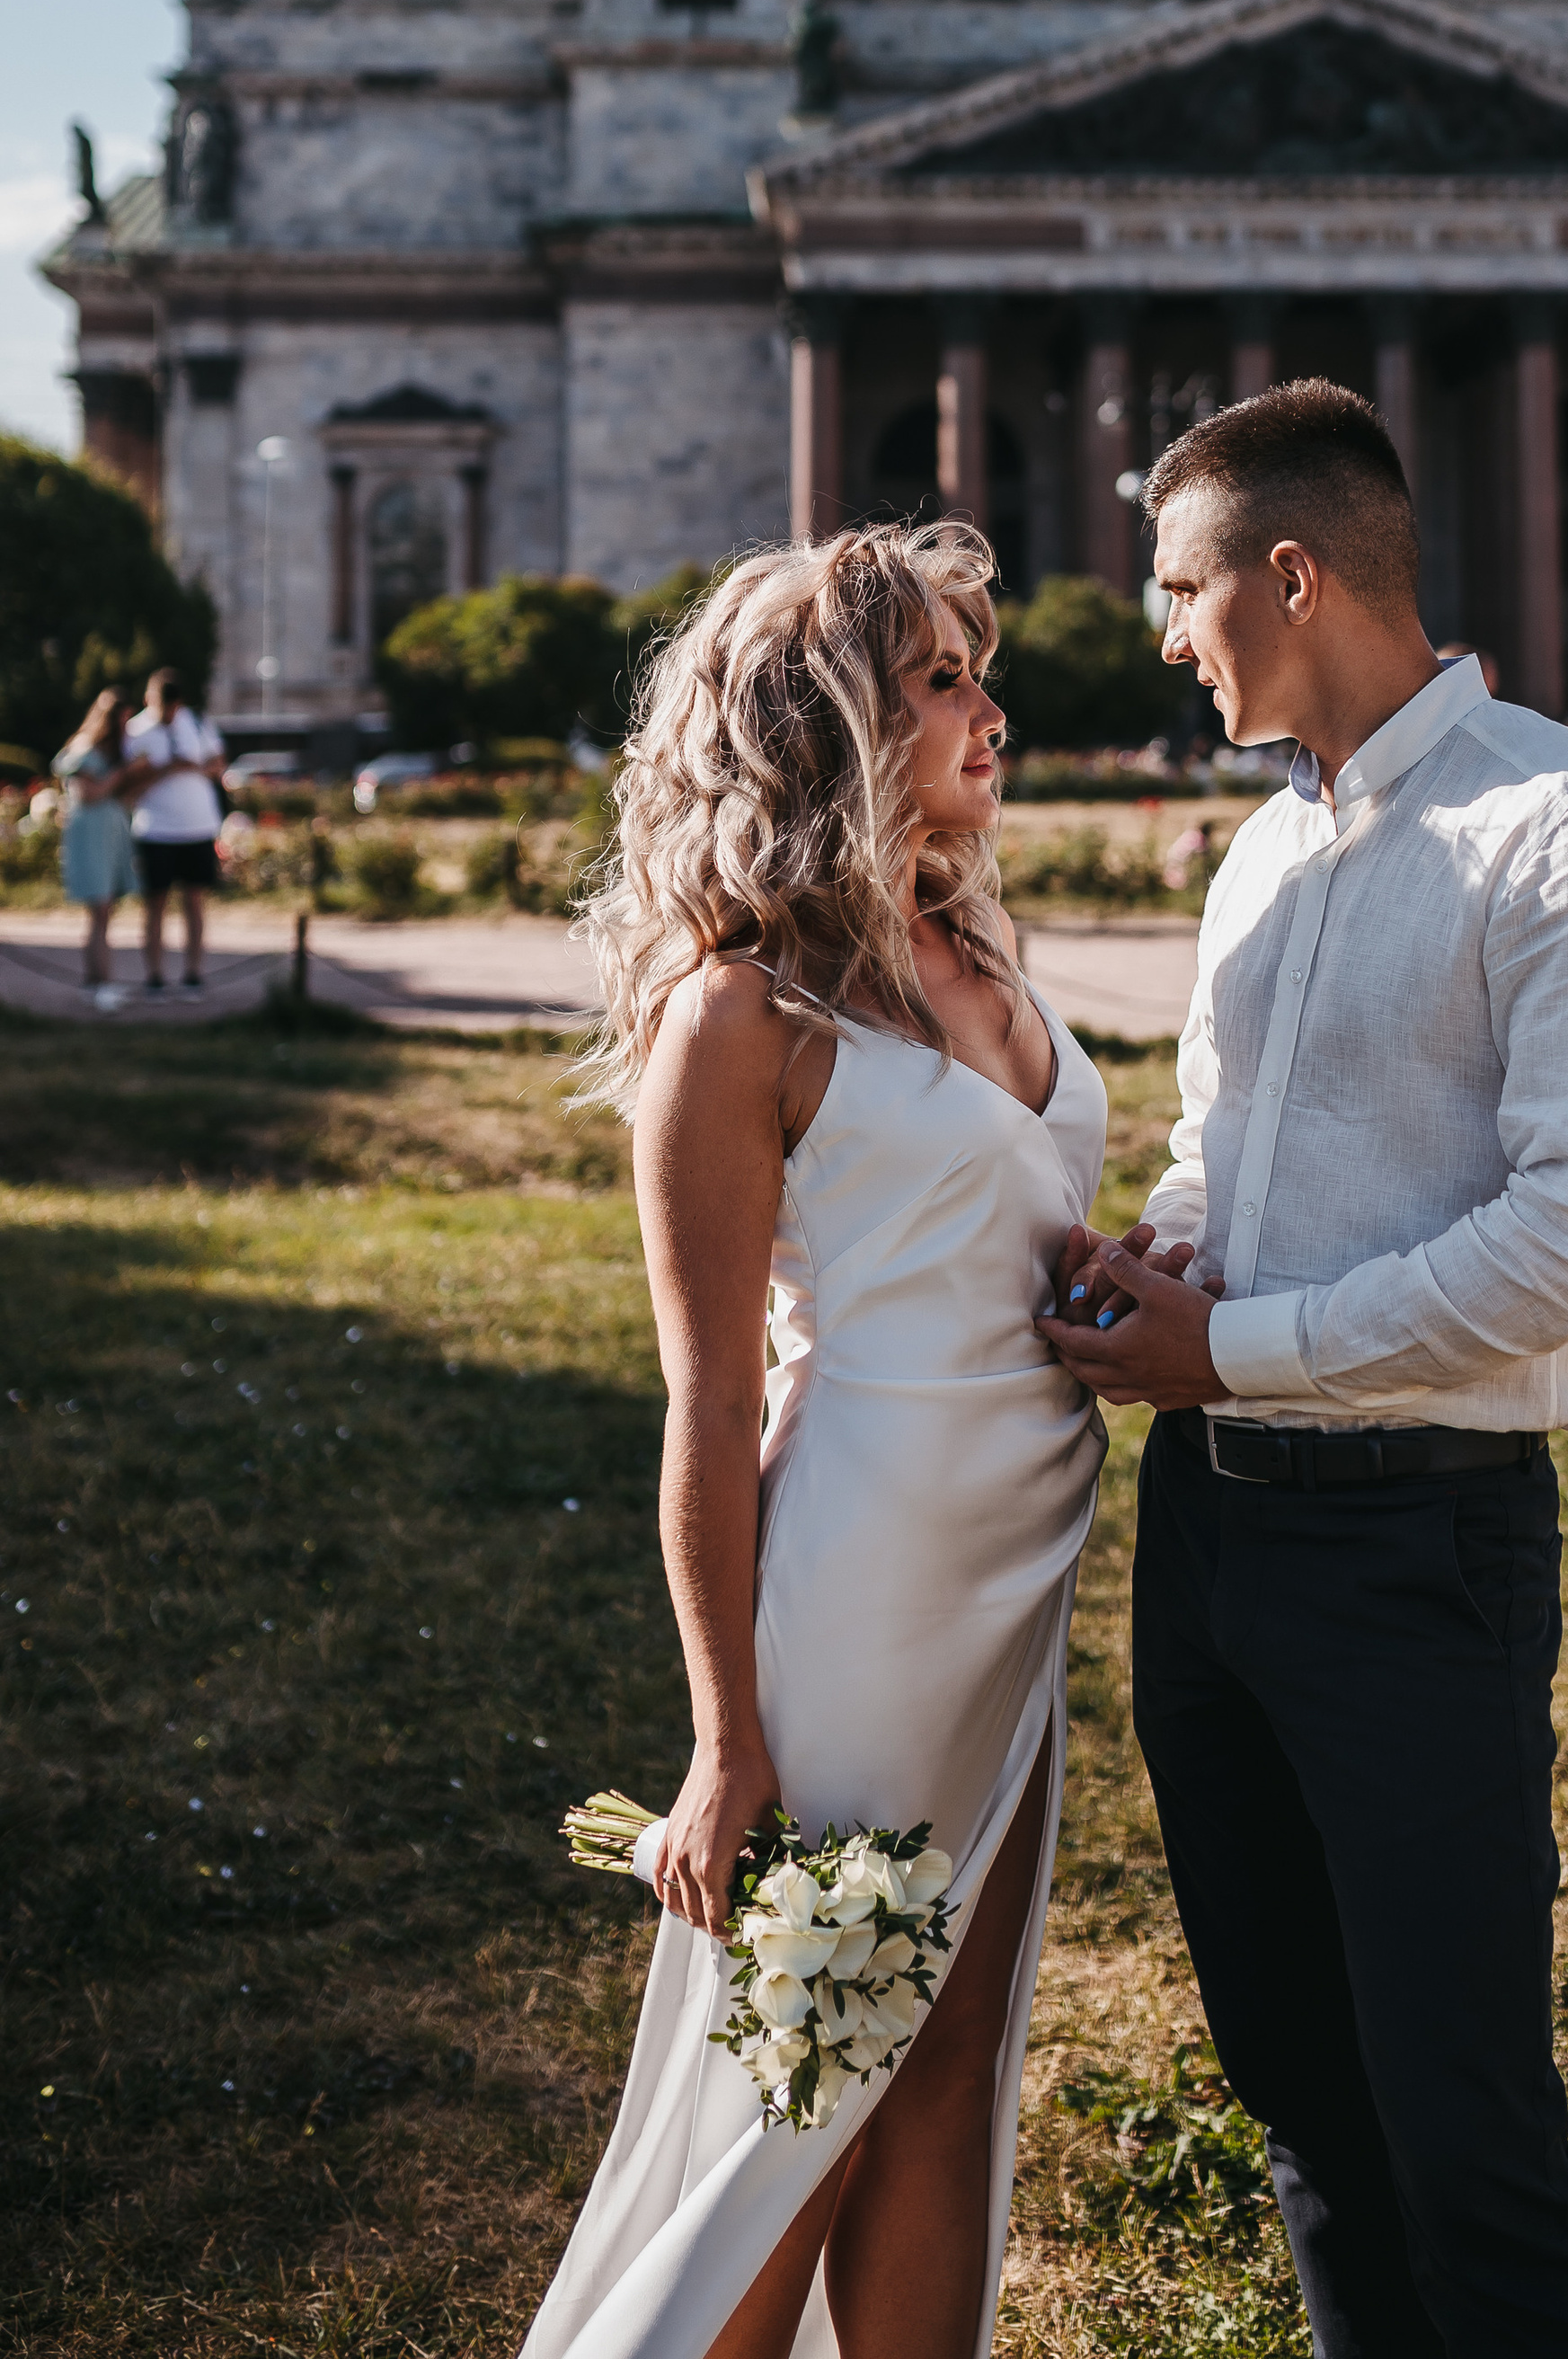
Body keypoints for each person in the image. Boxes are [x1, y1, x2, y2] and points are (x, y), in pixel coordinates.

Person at [1037, 380, 1568, 2359]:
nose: (1161, 630)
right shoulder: (1262, 855)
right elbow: (1215, 1144)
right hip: (1212, 1557)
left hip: (1419, 1557)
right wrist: (1153, 1257)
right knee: (1303, 2115)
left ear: (1293, 573)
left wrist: (1226, 1348)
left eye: (1178, 588)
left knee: (1463, 2132)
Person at [525, 523, 1150, 2359]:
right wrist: (726, 1744)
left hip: (1017, 1567)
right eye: (940, 680)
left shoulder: (968, 942)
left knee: (951, 2068)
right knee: (807, 2088)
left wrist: (1116, 1278)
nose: (992, 712)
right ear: (827, 723)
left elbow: (1001, 1227)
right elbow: (708, 1401)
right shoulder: (736, 1015)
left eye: (978, 669)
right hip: (864, 1579)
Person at [122, 668, 226, 992]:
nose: (166, 713)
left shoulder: (196, 723)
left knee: (195, 901)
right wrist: (166, 769)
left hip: (198, 826)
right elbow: (128, 784)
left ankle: (193, 973)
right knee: (156, 904)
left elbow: (219, 764)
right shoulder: (135, 732)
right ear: (148, 700)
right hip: (156, 829)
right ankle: (154, 976)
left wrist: (192, 766)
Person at [54, 686, 141, 1000]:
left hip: (111, 835)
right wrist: (122, 774)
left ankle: (98, 980)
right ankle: (100, 982)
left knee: (105, 910)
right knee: (99, 908)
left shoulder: (115, 751)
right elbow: (88, 794)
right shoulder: (85, 748)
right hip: (90, 835)